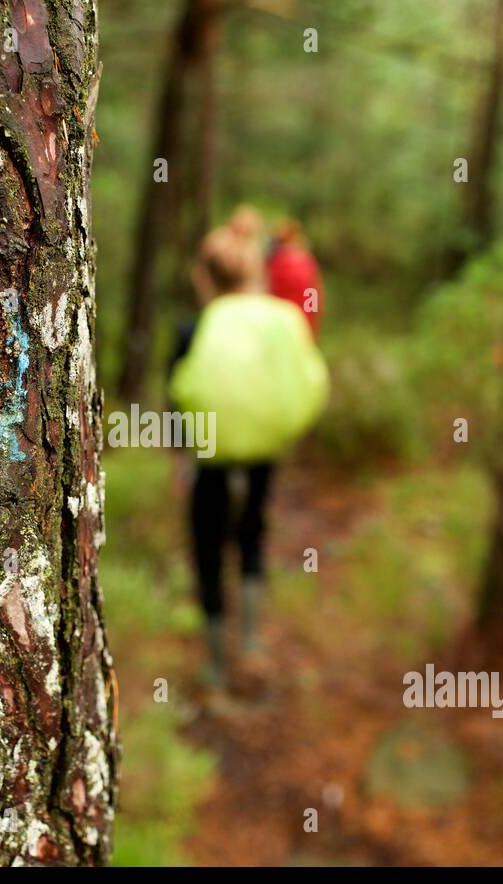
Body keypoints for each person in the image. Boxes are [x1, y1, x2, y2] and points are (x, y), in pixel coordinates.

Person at [168, 222, 329, 689]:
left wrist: (183, 459)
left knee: (207, 545)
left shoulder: (195, 327)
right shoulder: (280, 319)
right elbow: (307, 378)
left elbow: (178, 398)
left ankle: (217, 664)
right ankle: (253, 641)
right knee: (254, 528)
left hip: (211, 452)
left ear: (205, 276)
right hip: (264, 447)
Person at [265, 217, 324, 338]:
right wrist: (311, 321)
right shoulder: (306, 261)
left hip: (278, 323)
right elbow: (312, 293)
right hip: (301, 322)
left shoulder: (272, 264)